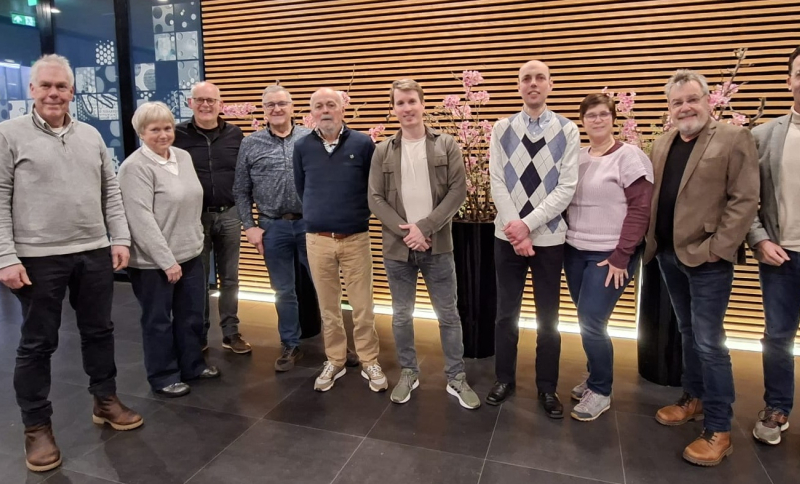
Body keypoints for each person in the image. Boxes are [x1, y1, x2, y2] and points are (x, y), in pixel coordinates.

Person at [0, 54, 142, 473]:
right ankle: (37, 427)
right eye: (45, 85)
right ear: (31, 90)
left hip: (93, 250)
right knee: (38, 343)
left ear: (72, 91)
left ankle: (106, 399)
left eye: (61, 86)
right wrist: (6, 256)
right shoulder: (8, 135)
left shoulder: (91, 136)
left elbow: (110, 192)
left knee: (99, 331)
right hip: (37, 257)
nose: (53, 93)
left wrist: (118, 238)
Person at [644, 69, 759, 466]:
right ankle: (692, 398)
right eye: (676, 102)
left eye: (691, 99)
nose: (684, 107)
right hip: (669, 255)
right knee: (688, 331)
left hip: (707, 258)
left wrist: (719, 248)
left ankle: (720, 428)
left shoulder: (732, 138)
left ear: (708, 100)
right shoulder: (662, 143)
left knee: (710, 342)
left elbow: (744, 199)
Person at [368, 79, 480, 409]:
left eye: (411, 102)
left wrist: (425, 228)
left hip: (438, 246)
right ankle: (408, 372)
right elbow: (375, 199)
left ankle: (456, 377)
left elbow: (457, 192)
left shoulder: (446, 144)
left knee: (448, 315)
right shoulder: (382, 150)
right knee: (402, 316)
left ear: (422, 104)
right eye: (400, 103)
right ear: (393, 109)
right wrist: (408, 233)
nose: (406, 108)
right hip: (398, 249)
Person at [486, 60, 579, 419]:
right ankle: (504, 379)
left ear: (550, 85)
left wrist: (527, 226)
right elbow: (498, 181)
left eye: (540, 78)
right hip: (506, 237)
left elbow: (566, 187)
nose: (533, 83)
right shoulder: (502, 128)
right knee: (505, 314)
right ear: (519, 86)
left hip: (550, 239)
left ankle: (546, 387)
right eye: (526, 78)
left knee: (548, 318)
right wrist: (515, 228)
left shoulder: (567, 130)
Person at [118, 102, 221, 399]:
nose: (163, 135)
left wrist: (196, 241)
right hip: (154, 262)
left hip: (190, 253)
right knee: (158, 321)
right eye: (154, 130)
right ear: (141, 132)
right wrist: (167, 261)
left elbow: (191, 203)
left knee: (190, 315)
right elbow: (141, 221)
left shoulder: (183, 157)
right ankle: (163, 375)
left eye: (167, 128)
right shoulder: (134, 168)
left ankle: (192, 365)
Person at [564, 93, 653, 421]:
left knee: (592, 320)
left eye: (603, 114)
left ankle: (601, 390)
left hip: (610, 255)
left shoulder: (630, 157)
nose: (597, 120)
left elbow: (641, 209)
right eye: (590, 116)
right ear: (583, 121)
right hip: (574, 251)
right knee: (585, 319)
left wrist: (621, 256)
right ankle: (593, 374)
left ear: (613, 118)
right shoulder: (577, 157)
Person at [293, 88, 386, 392]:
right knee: (328, 308)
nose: (325, 111)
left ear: (342, 108)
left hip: (355, 238)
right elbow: (301, 186)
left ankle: (369, 359)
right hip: (317, 240)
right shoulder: (303, 146)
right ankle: (335, 360)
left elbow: (373, 187)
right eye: (318, 106)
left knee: (362, 307)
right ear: (312, 113)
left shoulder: (362, 144)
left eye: (331, 104)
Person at [234, 85, 312, 371]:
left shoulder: (309, 137)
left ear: (292, 106)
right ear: (263, 110)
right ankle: (290, 344)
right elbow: (240, 190)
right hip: (272, 226)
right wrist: (249, 226)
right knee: (283, 290)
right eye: (270, 105)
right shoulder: (250, 144)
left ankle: (337, 346)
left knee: (324, 287)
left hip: (310, 225)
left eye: (281, 104)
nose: (276, 109)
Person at [746, 46, 800, 446]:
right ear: (789, 81)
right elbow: (745, 200)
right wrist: (759, 239)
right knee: (777, 335)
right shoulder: (763, 136)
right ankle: (777, 406)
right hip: (781, 255)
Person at [174, 81, 250, 354]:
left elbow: (243, 174)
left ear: (220, 104)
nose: (206, 105)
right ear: (190, 103)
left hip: (230, 214)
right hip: (195, 218)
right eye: (200, 99)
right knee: (199, 278)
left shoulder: (235, 134)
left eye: (211, 100)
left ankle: (231, 332)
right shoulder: (177, 134)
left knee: (230, 278)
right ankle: (200, 334)